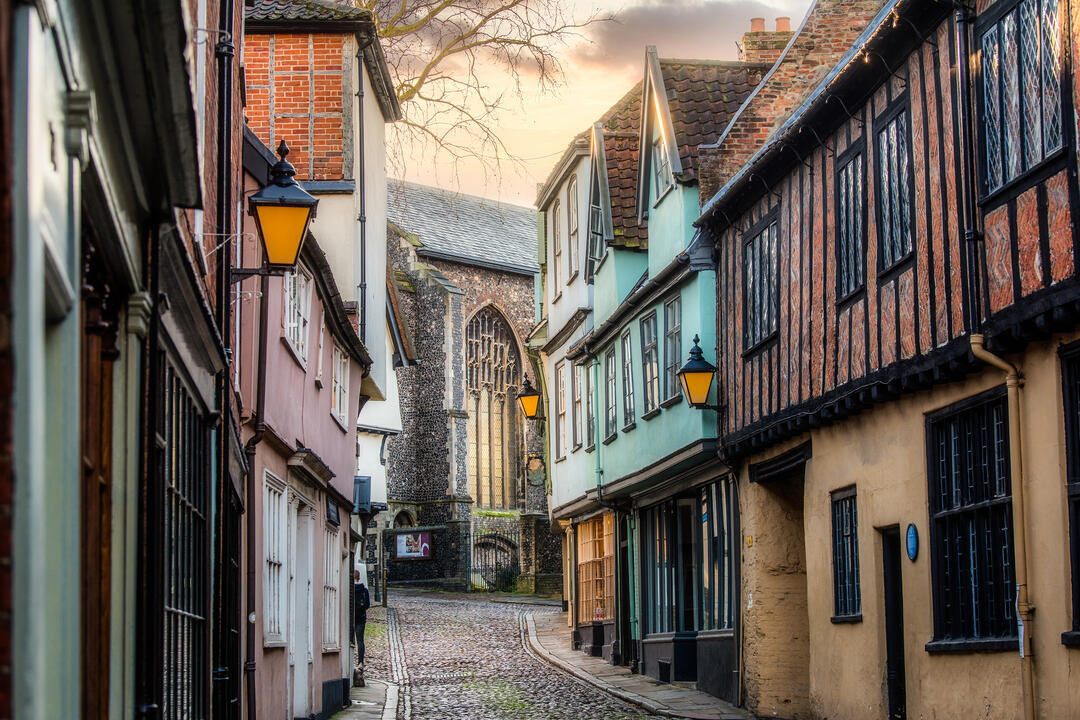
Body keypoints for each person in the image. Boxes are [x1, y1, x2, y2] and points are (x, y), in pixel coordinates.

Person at [353, 570, 370, 667]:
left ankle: (349, 660)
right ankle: (360, 662)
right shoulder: (364, 590)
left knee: (349, 639)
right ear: (359, 578)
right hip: (361, 618)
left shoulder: (349, 589)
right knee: (360, 640)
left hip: (351, 617)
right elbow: (367, 605)